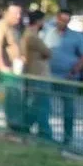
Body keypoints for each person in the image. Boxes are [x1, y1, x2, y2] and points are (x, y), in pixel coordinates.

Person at [48, 9, 83, 146]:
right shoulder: (49, 33)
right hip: (49, 76)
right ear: (57, 18)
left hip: (68, 77)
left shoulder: (76, 36)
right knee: (43, 104)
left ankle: (67, 137)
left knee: (68, 108)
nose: (63, 23)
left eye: (66, 20)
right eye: (61, 20)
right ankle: (44, 134)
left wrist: (74, 71)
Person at [0, 3, 26, 132]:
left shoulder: (15, 28)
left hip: (17, 68)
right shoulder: (2, 26)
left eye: (20, 13)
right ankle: (12, 126)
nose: (18, 16)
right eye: (16, 13)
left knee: (17, 98)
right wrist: (2, 67)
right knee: (12, 98)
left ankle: (16, 125)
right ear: (7, 13)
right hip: (9, 70)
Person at [19, 10, 53, 140]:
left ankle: (26, 129)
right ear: (38, 21)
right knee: (42, 106)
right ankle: (44, 133)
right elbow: (48, 52)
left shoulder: (29, 34)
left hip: (36, 75)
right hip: (38, 76)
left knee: (36, 105)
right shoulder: (32, 36)